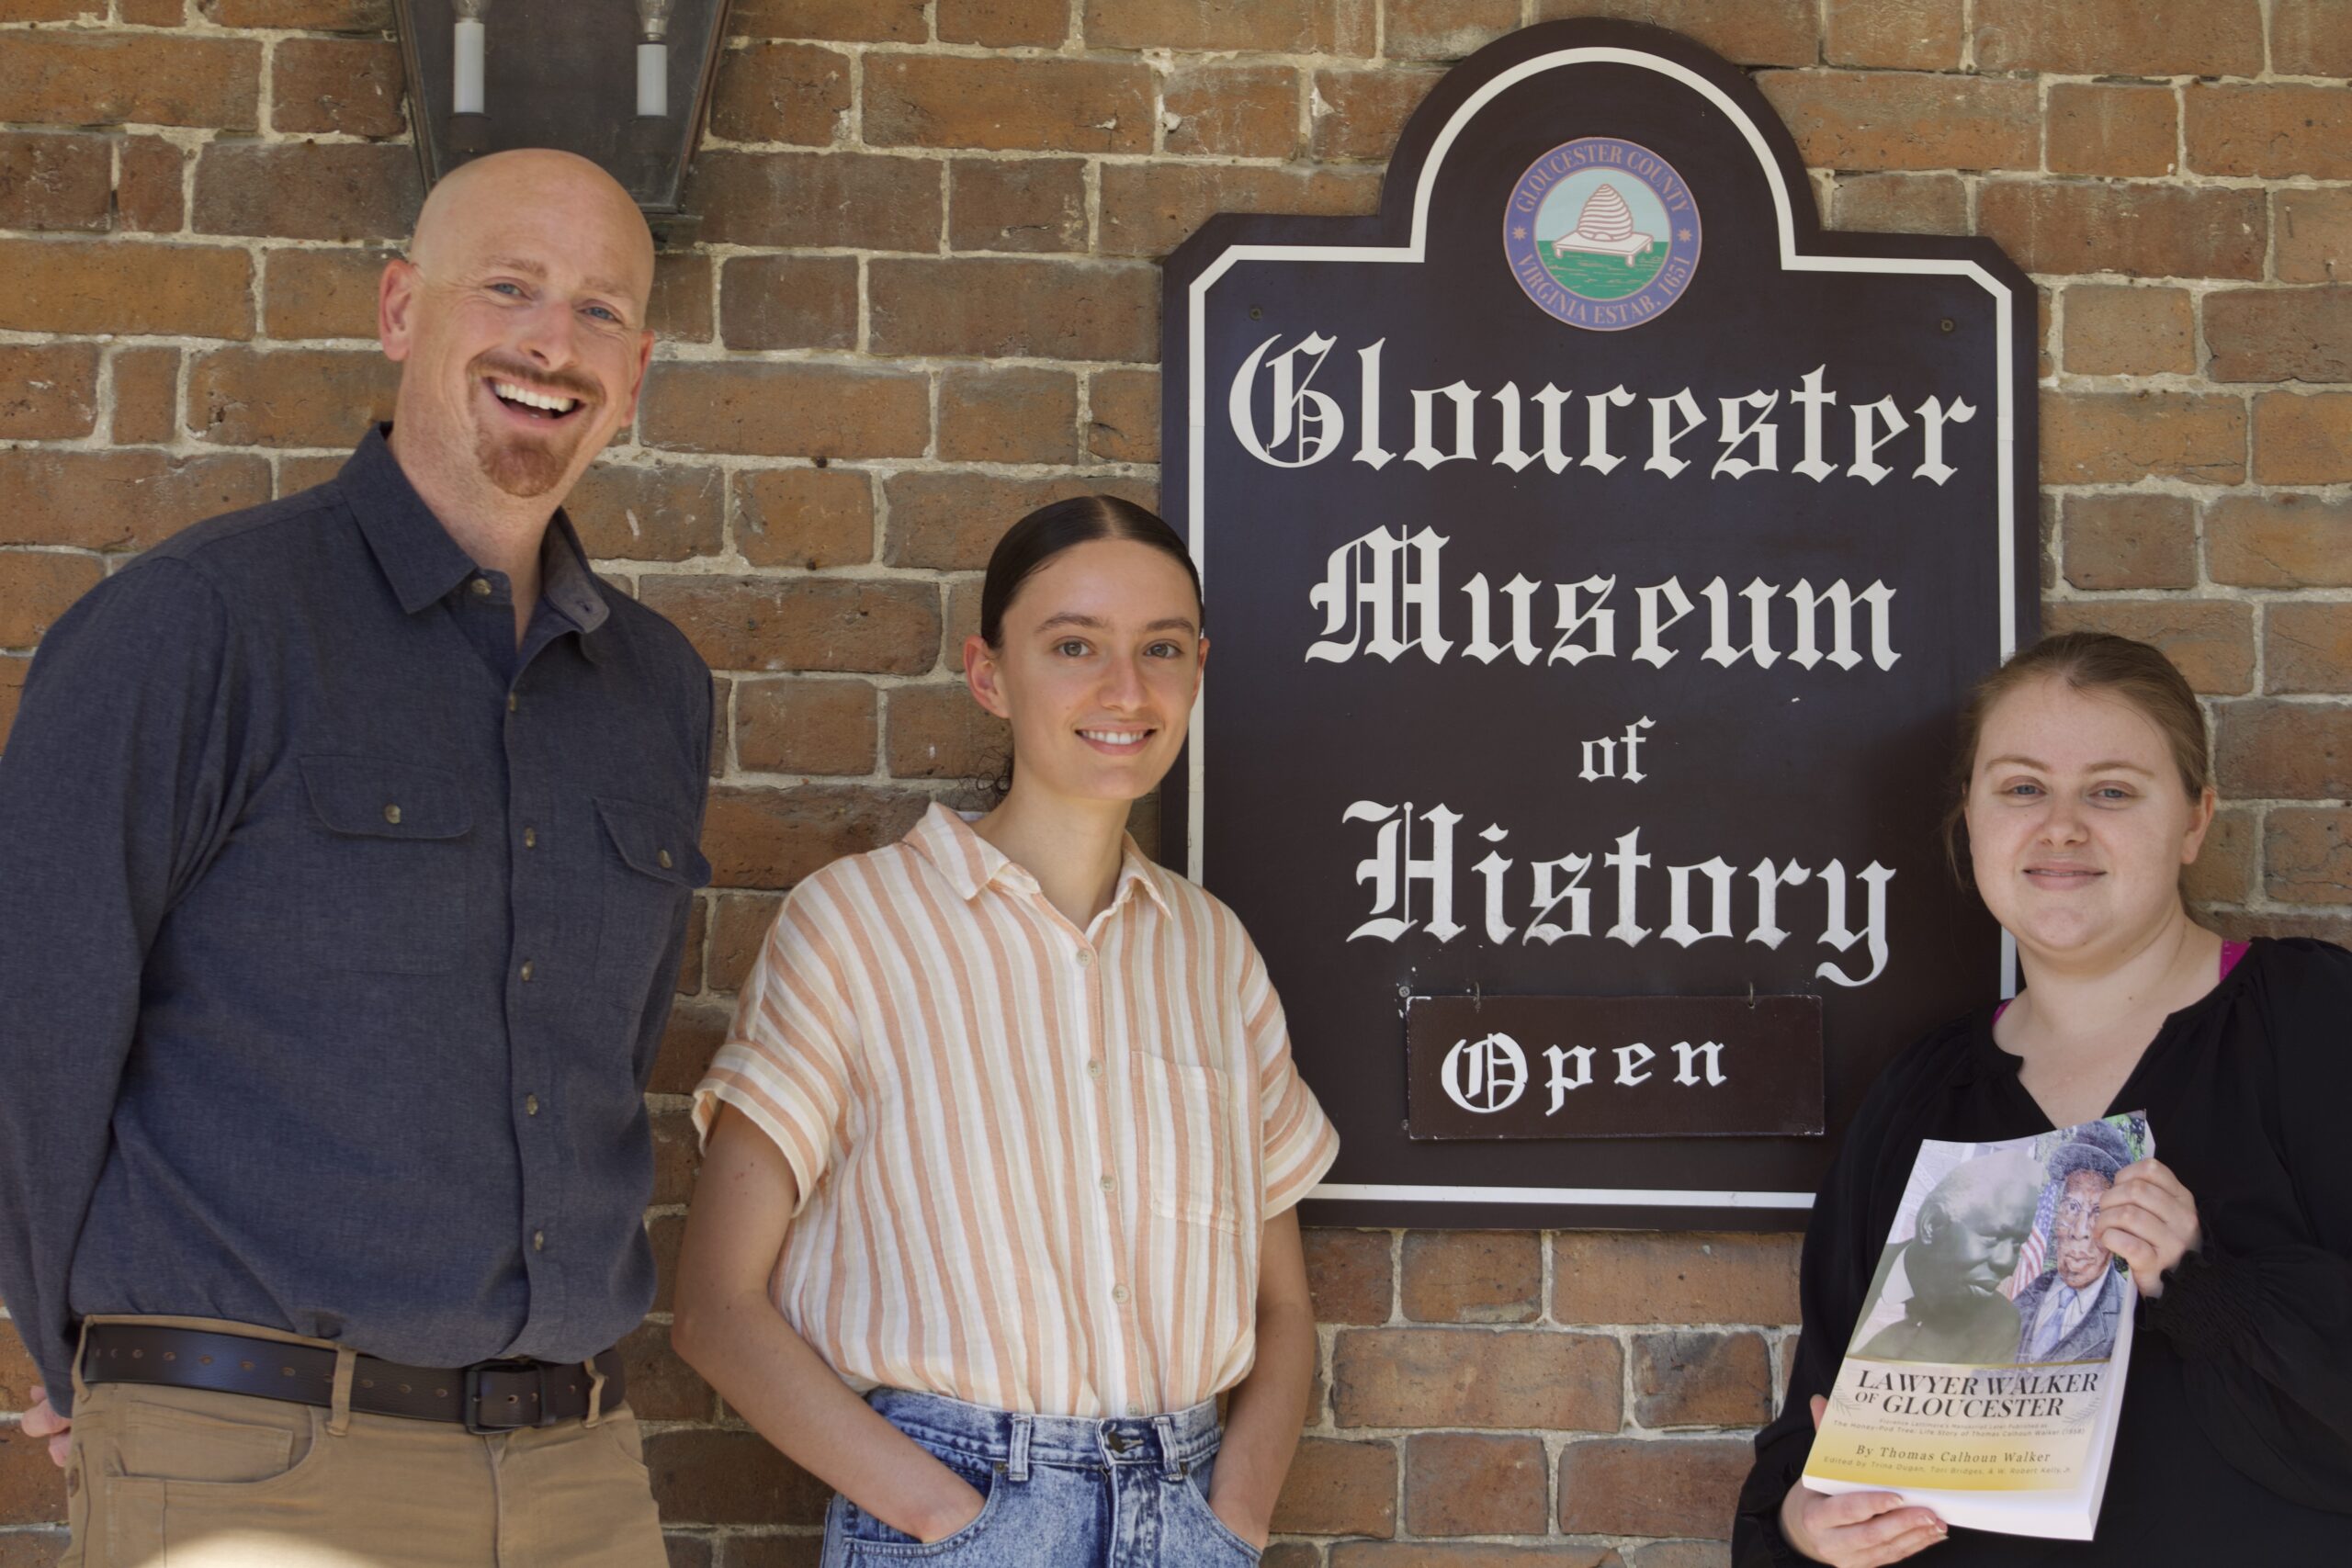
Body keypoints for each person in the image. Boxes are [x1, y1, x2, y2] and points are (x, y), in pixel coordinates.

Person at [0, 149, 709, 1567]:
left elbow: (609, 1045)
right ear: (401, 309)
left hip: (577, 1481)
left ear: (634, 376)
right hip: (252, 1474)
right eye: (508, 286)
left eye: (600, 311)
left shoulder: (660, 690)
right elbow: (32, 1015)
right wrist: (68, 1346)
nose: (550, 341)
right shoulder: (196, 627)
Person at [671, 495, 1339, 1567]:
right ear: (989, 674)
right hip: (959, 1509)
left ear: (1199, 669)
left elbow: (1283, 1309)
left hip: (1188, 1510)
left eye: (1160, 649)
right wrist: (949, 1522)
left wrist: (1236, 1522)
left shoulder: (1215, 955)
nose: (1125, 690)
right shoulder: (854, 926)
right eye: (1073, 645)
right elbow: (715, 1309)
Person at [1736, 631, 2352, 1566]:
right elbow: (1810, 1438)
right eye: (2022, 789)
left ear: (2193, 819)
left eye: (2110, 791)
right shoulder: (1918, 1100)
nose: (2060, 826)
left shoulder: (2312, 1027)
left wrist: (2206, 1282)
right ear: (1972, 821)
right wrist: (1804, 1528)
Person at [1849, 1150, 2041, 1365]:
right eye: (1993, 1237)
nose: (2007, 1263)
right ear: (1932, 1224)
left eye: (2017, 1244)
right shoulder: (1854, 1266)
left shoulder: (1999, 1324)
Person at [2013, 1126, 2132, 1365]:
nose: (2079, 1232)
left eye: (2099, 1211)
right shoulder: (2025, 1298)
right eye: (2072, 1207)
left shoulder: (2130, 1314)